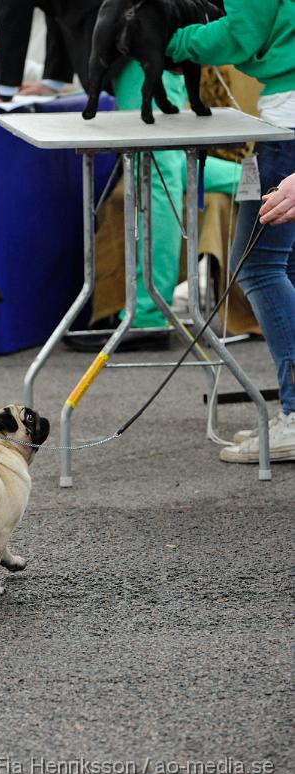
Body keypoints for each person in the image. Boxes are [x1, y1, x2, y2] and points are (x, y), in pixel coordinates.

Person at [165, 0, 295, 463]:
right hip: (281, 109)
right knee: (285, 268)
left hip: (287, 118)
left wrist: (174, 40)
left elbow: (243, 32)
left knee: (259, 266)